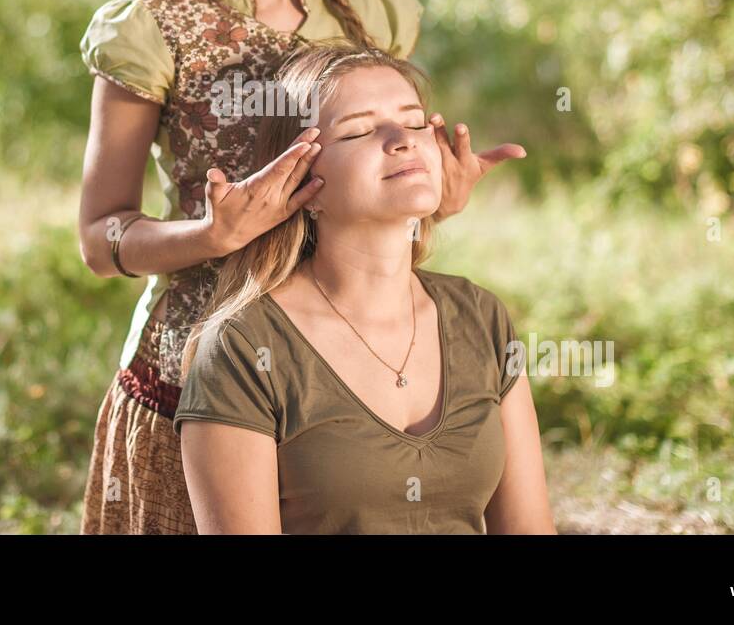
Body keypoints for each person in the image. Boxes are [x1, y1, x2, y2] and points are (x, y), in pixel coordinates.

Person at [77, 0, 525, 534]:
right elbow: (100, 237)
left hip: (352, 368)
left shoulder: (373, 6)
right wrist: (210, 236)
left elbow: (380, 188)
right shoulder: (150, 32)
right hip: (196, 379)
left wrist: (434, 203)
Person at [174, 42, 555, 533]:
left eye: (416, 122)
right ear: (302, 183)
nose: (404, 139)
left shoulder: (480, 315)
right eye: (359, 130)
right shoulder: (243, 347)